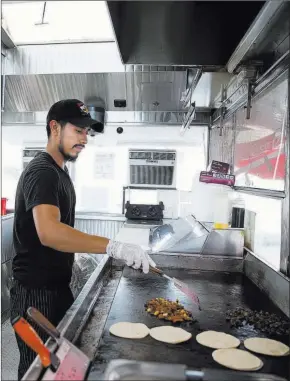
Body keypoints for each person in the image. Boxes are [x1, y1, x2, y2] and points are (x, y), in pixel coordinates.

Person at [10, 99, 155, 379]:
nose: (85, 139)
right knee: (39, 373)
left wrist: (71, 259)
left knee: (60, 369)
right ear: (55, 128)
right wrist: (112, 246)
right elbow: (49, 232)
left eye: (87, 133)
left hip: (55, 290)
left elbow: (57, 231)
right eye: (78, 131)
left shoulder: (59, 172)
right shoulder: (42, 173)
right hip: (36, 297)